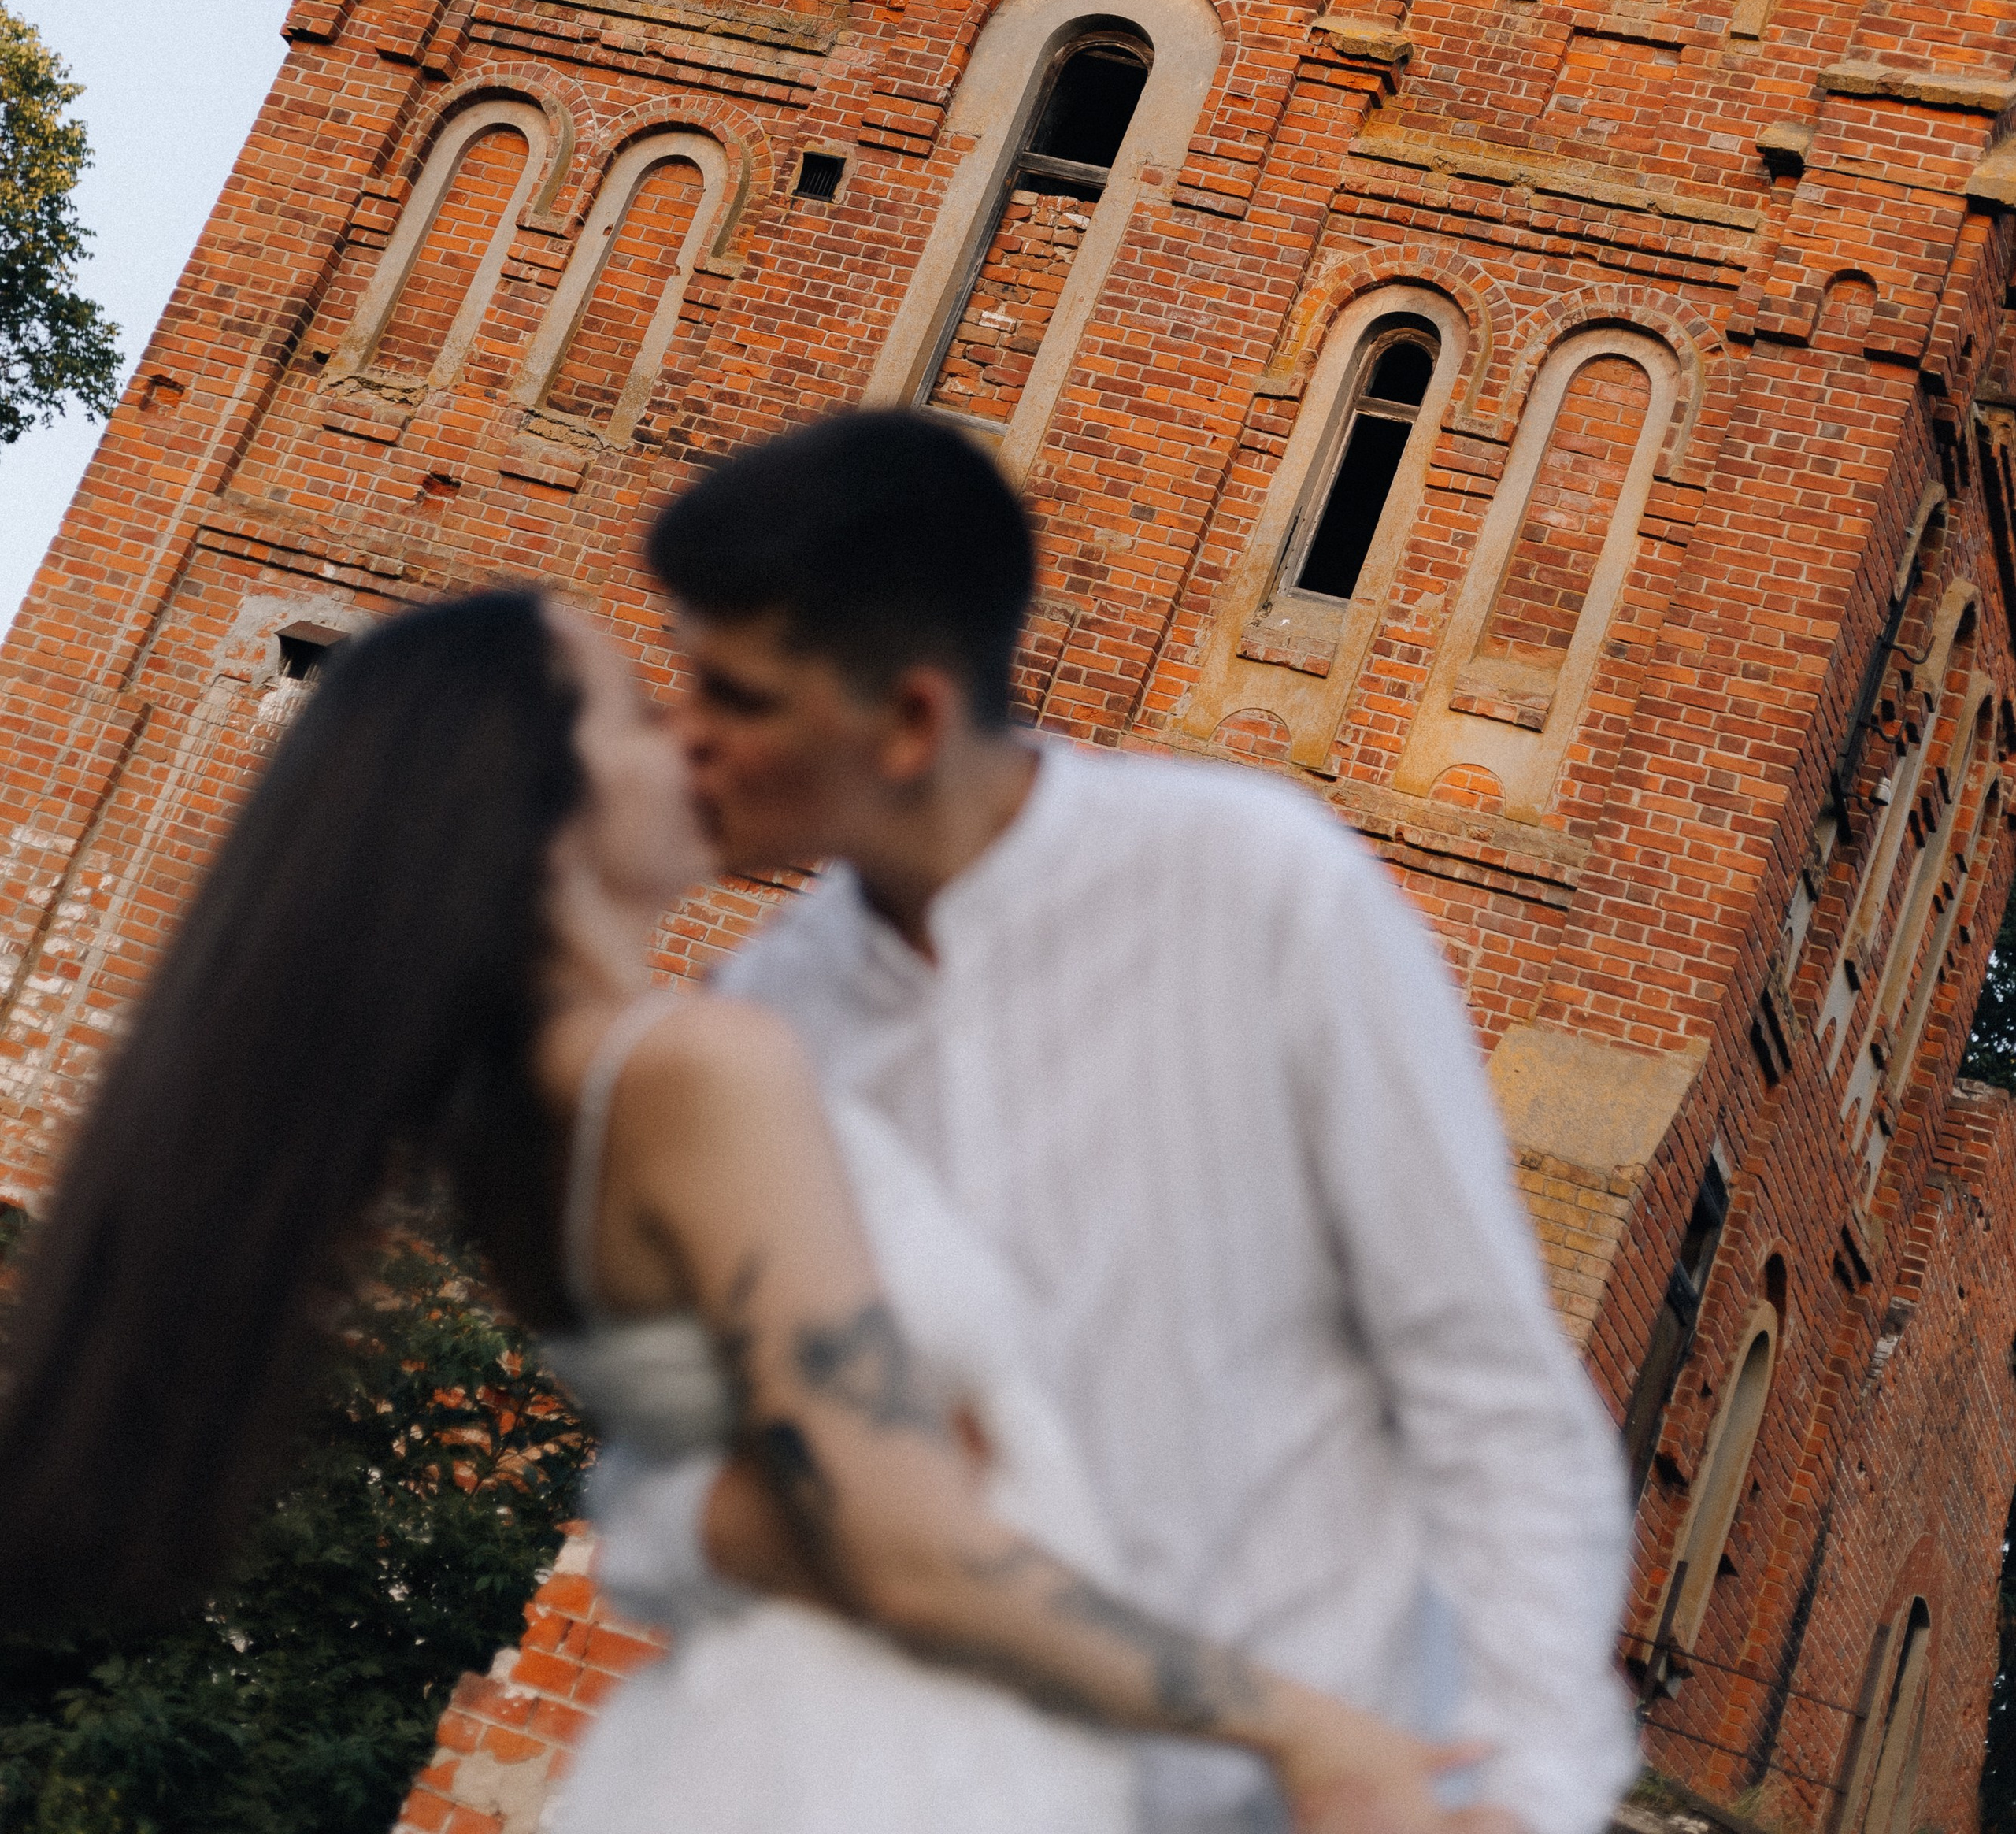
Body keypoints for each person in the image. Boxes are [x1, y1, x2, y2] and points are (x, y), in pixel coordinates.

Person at [0, 587, 1475, 1834]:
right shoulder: (693, 1069)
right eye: (638, 713)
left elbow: (766, 1503)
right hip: (867, 1773)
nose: (690, 739)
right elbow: (898, 1533)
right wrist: (1303, 1732)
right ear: (539, 799)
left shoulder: (544, 1111)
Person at [643, 410, 1640, 1834]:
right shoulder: (764, 1026)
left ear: (911, 721)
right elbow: (711, 1489)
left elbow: (1482, 1378)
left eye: (732, 697)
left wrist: (1523, 1787)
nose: (683, 737)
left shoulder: (1258, 892)